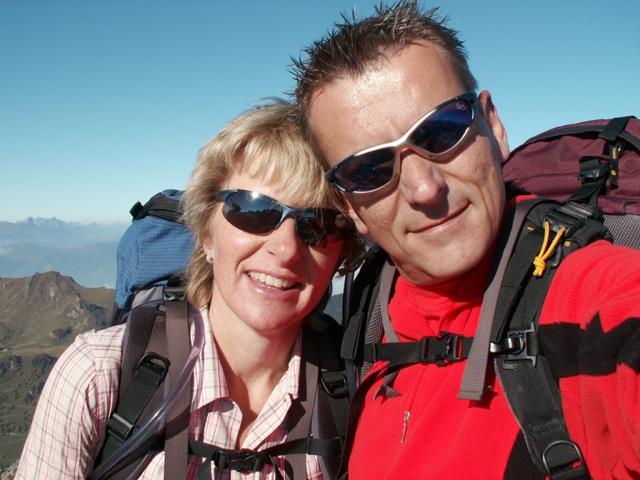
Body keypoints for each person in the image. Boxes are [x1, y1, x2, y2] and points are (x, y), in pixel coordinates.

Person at [293, 1, 640, 479]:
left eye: (443, 131)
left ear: (493, 126)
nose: (424, 189)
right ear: (350, 207)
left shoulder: (591, 297)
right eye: (369, 170)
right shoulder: (367, 313)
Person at [15, 101, 357, 479]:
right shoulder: (97, 376)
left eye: (318, 224)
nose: (286, 249)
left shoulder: (358, 393)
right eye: (254, 211)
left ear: (342, 254)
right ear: (206, 234)